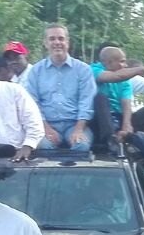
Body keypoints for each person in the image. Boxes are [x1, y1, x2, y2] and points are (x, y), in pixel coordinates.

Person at [23, 24, 98, 153]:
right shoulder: (36, 71)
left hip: (75, 124)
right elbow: (32, 103)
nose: (57, 42)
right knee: (43, 146)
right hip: (47, 124)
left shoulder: (83, 69)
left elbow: (86, 102)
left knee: (81, 145)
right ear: (45, 43)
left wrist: (79, 129)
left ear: (67, 42)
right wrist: (46, 128)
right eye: (52, 39)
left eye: (61, 38)